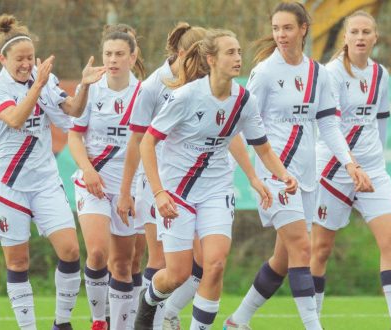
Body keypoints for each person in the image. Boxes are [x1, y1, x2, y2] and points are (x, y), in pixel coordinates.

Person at [223, 3, 373, 329]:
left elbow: (329, 125)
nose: (280, 35)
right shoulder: (264, 72)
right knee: (302, 249)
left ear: (303, 28)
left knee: (283, 260)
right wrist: (256, 174)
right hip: (276, 175)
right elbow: (244, 122)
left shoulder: (318, 73)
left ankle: (237, 321)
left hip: (307, 177)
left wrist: (349, 163)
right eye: (276, 28)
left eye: (287, 28)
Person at [134, 29, 295, 330]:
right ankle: (150, 299)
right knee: (177, 274)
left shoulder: (243, 99)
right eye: (230, 52)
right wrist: (158, 193)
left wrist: (281, 175)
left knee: (216, 263)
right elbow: (146, 143)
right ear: (211, 60)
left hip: (217, 190)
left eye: (238, 52)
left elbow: (262, 146)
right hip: (177, 192)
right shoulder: (185, 97)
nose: (238, 58)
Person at [0, 14, 105, 330]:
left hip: (44, 182)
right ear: (2, 59)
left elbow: (74, 110)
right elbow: (14, 119)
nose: (26, 64)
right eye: (19, 59)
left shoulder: (44, 78)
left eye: (29, 58)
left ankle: (61, 323)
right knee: (18, 262)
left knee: (70, 251)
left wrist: (85, 86)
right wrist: (36, 85)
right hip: (8, 186)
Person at [311, 10, 391, 330]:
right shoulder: (331, 74)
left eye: (366, 32)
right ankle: (312, 323)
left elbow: (381, 121)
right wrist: (350, 164)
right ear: (345, 38)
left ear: (375, 38)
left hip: (372, 171)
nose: (360, 37)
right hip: (334, 170)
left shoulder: (380, 74)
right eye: (354, 32)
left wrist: (375, 163)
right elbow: (327, 127)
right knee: (320, 250)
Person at [116, 22, 208, 330]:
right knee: (160, 260)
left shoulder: (203, 81)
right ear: (182, 54)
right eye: (200, 58)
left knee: (202, 263)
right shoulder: (154, 86)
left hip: (191, 182)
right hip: (155, 181)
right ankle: (149, 323)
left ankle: (167, 313)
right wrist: (126, 190)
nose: (205, 66)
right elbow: (136, 141)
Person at [68, 28, 144, 330]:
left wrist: (129, 190)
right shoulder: (91, 88)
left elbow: (145, 144)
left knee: (124, 264)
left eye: (120, 54)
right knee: (98, 252)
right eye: (108, 54)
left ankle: (121, 325)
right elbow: (74, 136)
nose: (112, 60)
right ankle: (99, 320)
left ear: (133, 57)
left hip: (127, 189)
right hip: (92, 184)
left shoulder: (143, 93)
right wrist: (87, 170)